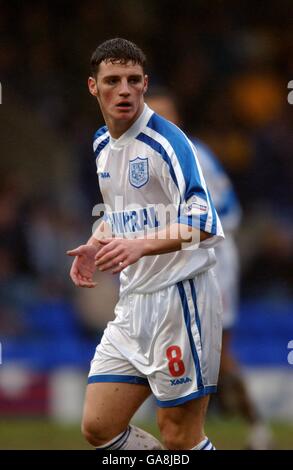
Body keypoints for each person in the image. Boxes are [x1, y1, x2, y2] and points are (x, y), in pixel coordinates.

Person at [67, 38, 224, 451]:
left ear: (145, 84)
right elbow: (120, 213)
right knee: (98, 426)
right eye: (113, 80)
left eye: (133, 80)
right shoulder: (102, 144)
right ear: (92, 87)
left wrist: (140, 246)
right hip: (133, 303)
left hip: (180, 299)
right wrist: (95, 241)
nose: (124, 89)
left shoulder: (169, 142)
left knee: (180, 437)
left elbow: (204, 223)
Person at [145, 88, 273, 450]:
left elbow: (225, 211)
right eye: (153, 116)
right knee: (170, 341)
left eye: (165, 115)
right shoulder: (151, 157)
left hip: (212, 256)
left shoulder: (192, 154)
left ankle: (253, 425)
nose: (159, 123)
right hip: (179, 257)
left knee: (217, 353)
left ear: (178, 119)